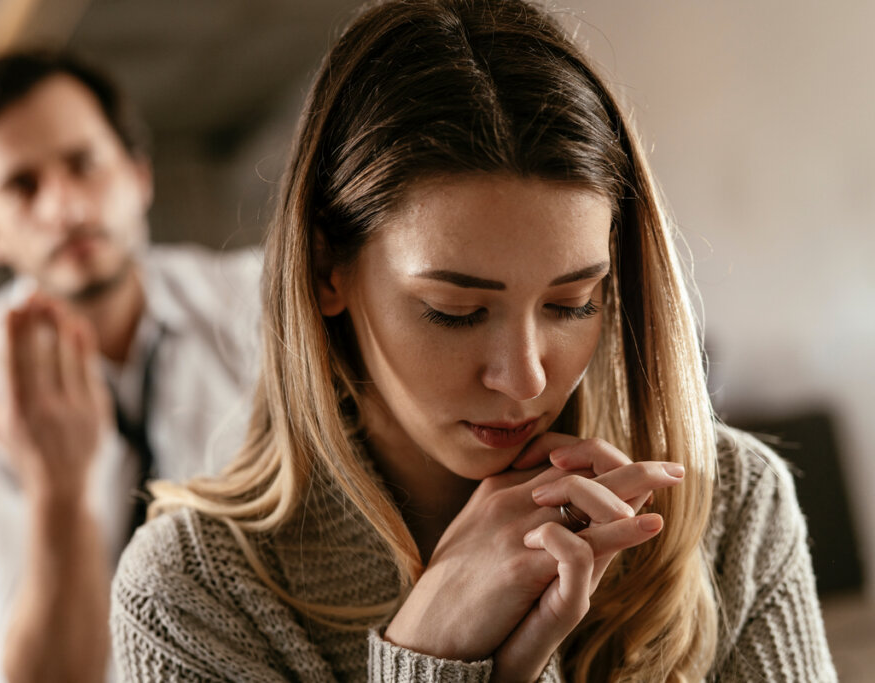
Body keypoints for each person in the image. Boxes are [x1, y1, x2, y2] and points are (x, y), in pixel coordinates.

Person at [110, 0, 836, 680]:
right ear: (328, 269)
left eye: (571, 303)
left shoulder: (732, 509)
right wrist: (431, 652)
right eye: (455, 311)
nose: (524, 379)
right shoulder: (191, 591)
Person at [0, 51, 260, 683]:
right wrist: (59, 492)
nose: (64, 207)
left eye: (83, 164)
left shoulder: (264, 302)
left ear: (139, 174)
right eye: (21, 186)